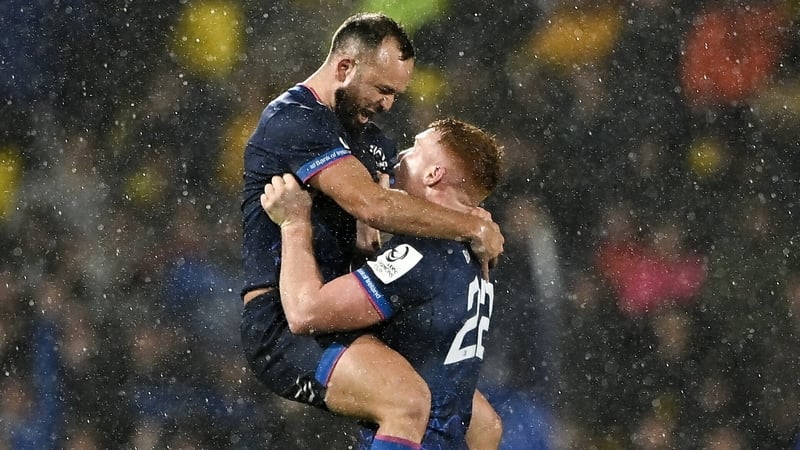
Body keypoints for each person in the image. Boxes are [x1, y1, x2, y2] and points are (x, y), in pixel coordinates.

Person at [240, 13, 504, 450]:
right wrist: (471, 224)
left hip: (352, 310)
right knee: (407, 401)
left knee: (479, 424)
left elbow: (381, 219)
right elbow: (374, 205)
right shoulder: (294, 120)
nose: (388, 105)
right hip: (286, 321)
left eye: (396, 94)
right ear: (345, 67)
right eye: (383, 90)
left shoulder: (372, 140)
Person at [261, 118, 505, 449]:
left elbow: (306, 311)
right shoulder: (474, 254)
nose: (400, 155)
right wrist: (368, 253)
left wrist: (294, 223)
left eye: (416, 149)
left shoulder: (422, 254)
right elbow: (485, 424)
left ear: (434, 174)